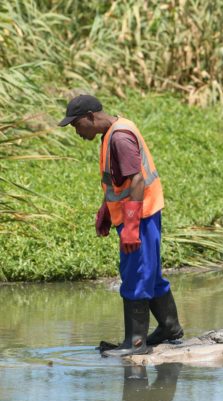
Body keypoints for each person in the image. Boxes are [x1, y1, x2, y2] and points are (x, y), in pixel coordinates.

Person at [58, 95, 184, 357]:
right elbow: (119, 181)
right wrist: (106, 208)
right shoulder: (114, 131)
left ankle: (135, 344)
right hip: (142, 213)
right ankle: (169, 327)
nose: (77, 131)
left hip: (140, 215)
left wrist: (129, 226)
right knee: (148, 271)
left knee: (136, 273)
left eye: (77, 125)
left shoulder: (119, 138)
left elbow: (137, 180)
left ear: (91, 116)